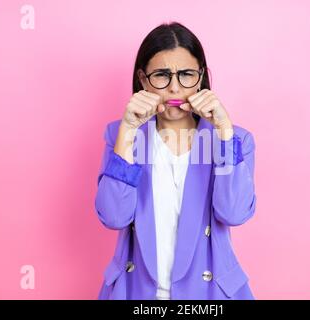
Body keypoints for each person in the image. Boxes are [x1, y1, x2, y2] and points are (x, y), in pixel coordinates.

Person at [95, 21, 257, 300]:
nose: (174, 88)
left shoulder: (234, 139)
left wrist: (224, 131)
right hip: (136, 294)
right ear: (143, 79)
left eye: (186, 74)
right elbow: (113, 216)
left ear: (202, 77)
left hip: (209, 295)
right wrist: (128, 131)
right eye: (161, 75)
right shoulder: (120, 135)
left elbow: (233, 212)